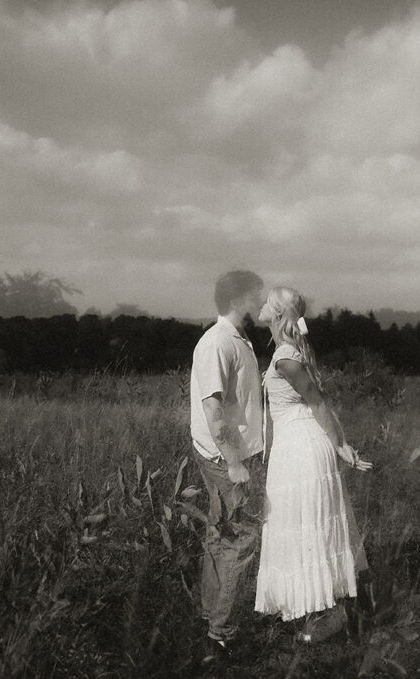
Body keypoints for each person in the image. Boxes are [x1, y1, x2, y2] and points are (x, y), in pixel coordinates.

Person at [253, 286, 371, 642]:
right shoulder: (290, 351)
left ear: (275, 313)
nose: (260, 305)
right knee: (304, 524)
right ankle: (316, 611)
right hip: (295, 445)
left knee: (305, 525)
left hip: (302, 448)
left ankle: (325, 617)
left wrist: (341, 444)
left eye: (266, 302)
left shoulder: (286, 357)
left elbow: (318, 403)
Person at [189, 270, 266, 656]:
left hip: (229, 454)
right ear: (238, 300)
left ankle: (210, 615)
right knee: (243, 538)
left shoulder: (236, 339)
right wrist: (235, 462)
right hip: (225, 457)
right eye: (256, 294)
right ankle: (222, 635)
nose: (261, 300)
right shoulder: (217, 342)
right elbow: (214, 413)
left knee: (221, 534)